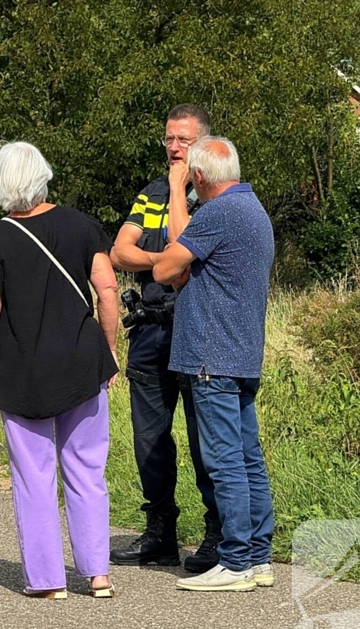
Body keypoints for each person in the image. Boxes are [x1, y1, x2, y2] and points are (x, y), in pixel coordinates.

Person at [0, 142, 120, 599]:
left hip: (23, 370)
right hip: (81, 363)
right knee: (87, 468)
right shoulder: (81, 225)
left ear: (1, 183)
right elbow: (107, 289)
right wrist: (107, 351)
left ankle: (48, 581)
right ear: (44, 175)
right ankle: (99, 574)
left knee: (33, 475)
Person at [152, 136, 275, 592]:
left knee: (224, 461)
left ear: (199, 177)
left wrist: (173, 190)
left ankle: (236, 560)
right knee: (247, 458)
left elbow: (166, 269)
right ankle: (258, 556)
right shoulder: (253, 209)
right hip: (242, 354)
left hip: (212, 356)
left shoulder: (218, 213)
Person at [108, 104, 222, 571]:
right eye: (169, 140)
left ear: (203, 145)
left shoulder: (217, 195)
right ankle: (160, 532)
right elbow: (119, 250)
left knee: (205, 437)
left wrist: (162, 254)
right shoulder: (152, 192)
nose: (175, 148)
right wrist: (164, 262)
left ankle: (217, 533)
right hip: (151, 328)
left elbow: (189, 251)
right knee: (149, 439)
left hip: (196, 329)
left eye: (184, 140)